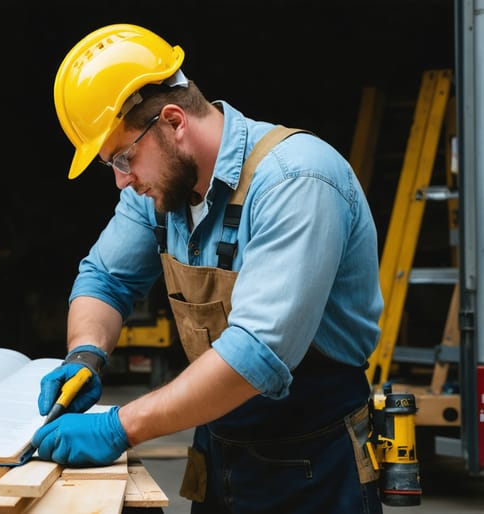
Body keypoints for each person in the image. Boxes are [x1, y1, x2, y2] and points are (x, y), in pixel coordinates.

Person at [32, 24, 384, 513]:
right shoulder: (161, 193)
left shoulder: (296, 179)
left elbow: (255, 356)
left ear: (173, 122)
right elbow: (105, 279)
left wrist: (120, 425)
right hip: (222, 454)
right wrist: (85, 354)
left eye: (123, 157)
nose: (121, 180)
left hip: (314, 465)